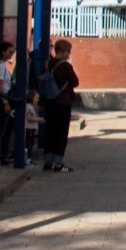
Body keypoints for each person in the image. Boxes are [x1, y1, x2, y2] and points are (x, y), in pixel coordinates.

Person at [42, 39, 80, 172]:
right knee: (61, 132)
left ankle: (47, 162)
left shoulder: (48, 63)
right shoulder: (65, 66)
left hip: (49, 102)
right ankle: (58, 164)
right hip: (63, 102)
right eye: (68, 51)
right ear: (63, 52)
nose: (69, 54)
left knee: (50, 131)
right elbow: (75, 82)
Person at [0, 41, 15, 164]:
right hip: (2, 99)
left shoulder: (1, 66)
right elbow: (0, 86)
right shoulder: (0, 67)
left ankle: (3, 153)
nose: (12, 54)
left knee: (5, 128)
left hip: (4, 97)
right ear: (3, 52)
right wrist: (5, 102)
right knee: (1, 128)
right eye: (10, 52)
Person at [24, 89, 45, 164]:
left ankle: (28, 159)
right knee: (29, 145)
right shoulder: (29, 107)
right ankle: (27, 160)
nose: (37, 100)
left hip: (31, 128)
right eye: (36, 98)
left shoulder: (30, 106)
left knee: (30, 144)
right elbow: (29, 118)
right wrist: (38, 119)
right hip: (29, 128)